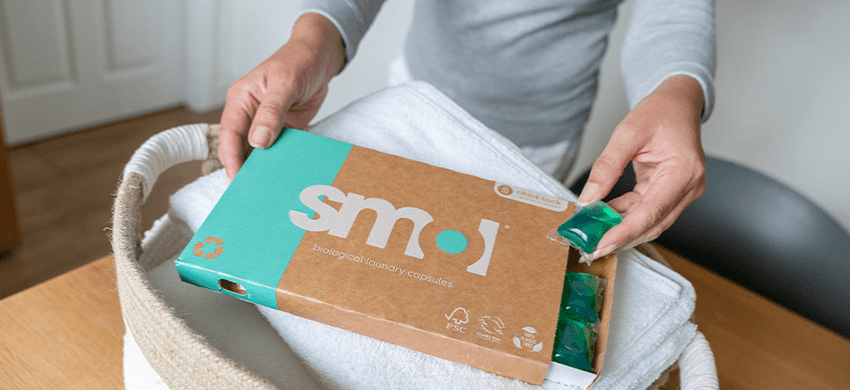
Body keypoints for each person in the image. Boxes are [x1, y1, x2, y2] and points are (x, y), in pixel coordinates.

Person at [219, 0, 715, 261]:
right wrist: (313, 40)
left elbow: (673, 11)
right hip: (413, 105)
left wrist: (677, 93)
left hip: (536, 143)